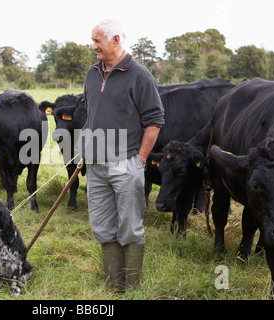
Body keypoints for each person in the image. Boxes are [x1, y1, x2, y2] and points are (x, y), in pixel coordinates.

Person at [81, 19, 164, 293]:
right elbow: (91, 116)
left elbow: (154, 121)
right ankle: (113, 285)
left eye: (98, 41)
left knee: (130, 227)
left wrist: (139, 159)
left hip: (126, 162)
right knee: (102, 226)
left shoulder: (140, 76)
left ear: (116, 40)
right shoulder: (92, 74)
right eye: (92, 41)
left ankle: (132, 288)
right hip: (95, 165)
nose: (93, 47)